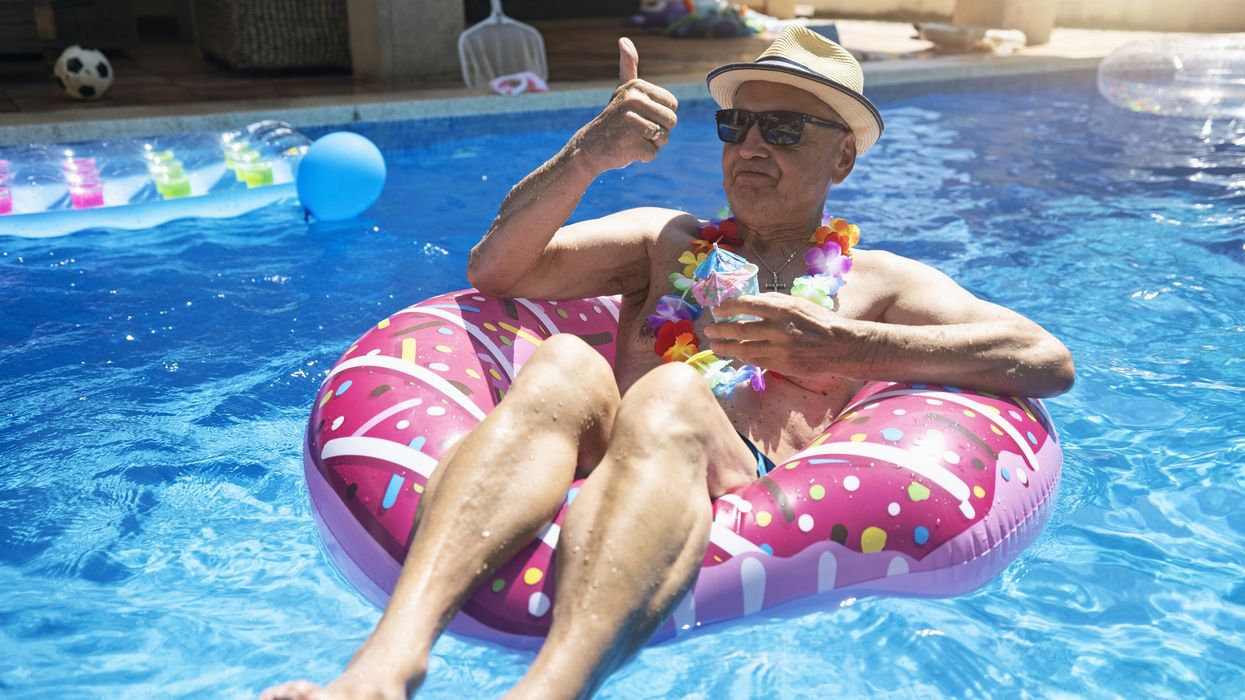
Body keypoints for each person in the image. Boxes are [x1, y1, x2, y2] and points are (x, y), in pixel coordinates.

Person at [263, 26, 1074, 700]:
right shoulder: (666, 240)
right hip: (604, 453)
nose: (749, 146)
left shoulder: (877, 285)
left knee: (670, 396)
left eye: (782, 131)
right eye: (735, 126)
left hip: (736, 482)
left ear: (840, 161)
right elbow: (496, 271)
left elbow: (1045, 359)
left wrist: (848, 346)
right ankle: (383, 667)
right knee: (563, 362)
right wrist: (588, 155)